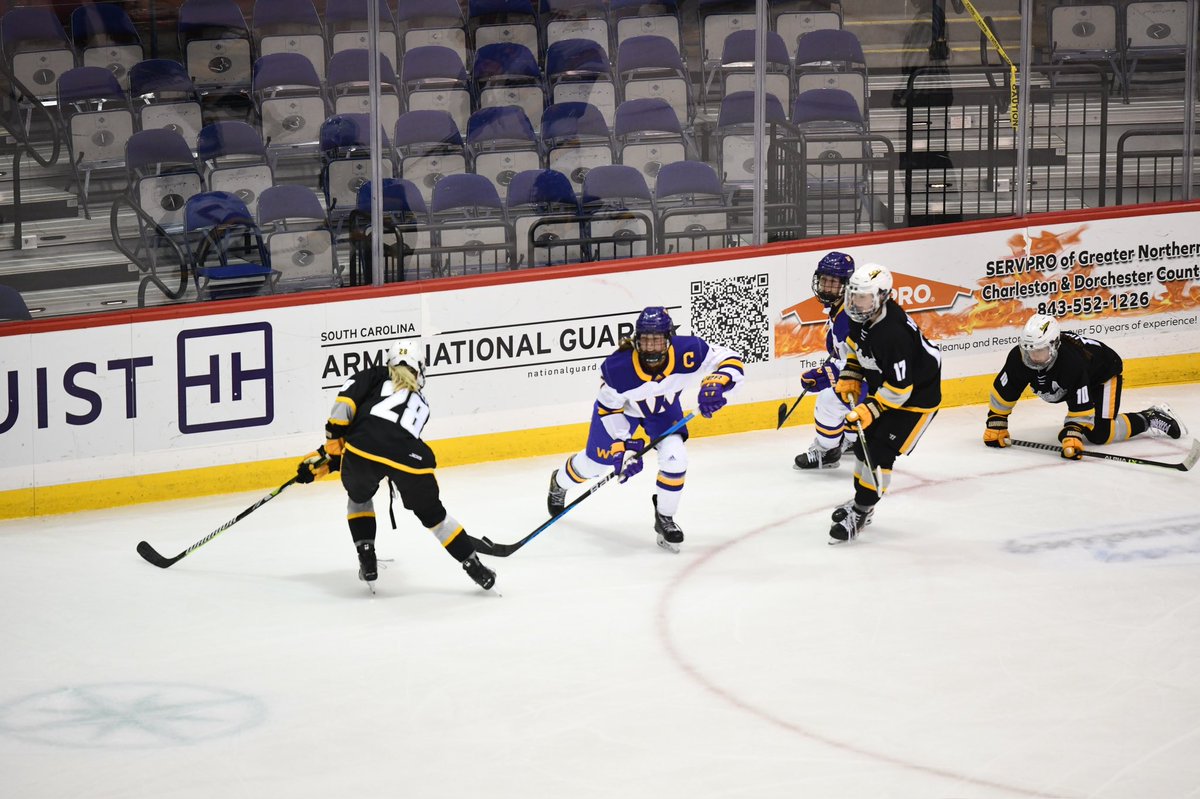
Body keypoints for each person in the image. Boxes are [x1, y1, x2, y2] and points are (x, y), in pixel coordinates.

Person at [295, 340, 497, 591]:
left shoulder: (376, 375)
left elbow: (350, 413)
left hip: (363, 450)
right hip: (412, 461)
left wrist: (329, 453)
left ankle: (366, 555)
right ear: (420, 369)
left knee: (359, 498)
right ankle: (474, 565)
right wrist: (332, 457)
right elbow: (389, 440)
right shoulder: (423, 404)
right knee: (436, 518)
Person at [546, 306, 744, 552]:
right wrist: (622, 445)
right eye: (646, 342)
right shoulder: (618, 369)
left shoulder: (689, 351)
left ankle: (664, 517)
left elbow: (731, 359)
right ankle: (559, 481)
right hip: (623, 414)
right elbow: (609, 409)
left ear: (669, 340)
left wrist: (718, 382)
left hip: (663, 411)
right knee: (596, 465)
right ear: (637, 341)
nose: (651, 349)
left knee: (676, 458)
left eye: (657, 341)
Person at [830, 263, 942, 543]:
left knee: (878, 454)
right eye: (854, 295)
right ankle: (861, 500)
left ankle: (862, 510)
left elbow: (902, 388)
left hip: (916, 401)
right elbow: (855, 348)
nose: (857, 302)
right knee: (861, 445)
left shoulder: (892, 333)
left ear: (882, 297)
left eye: (864, 297)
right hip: (888, 390)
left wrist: (871, 408)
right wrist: (851, 374)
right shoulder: (860, 317)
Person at [985, 314, 1186, 458]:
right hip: (1075, 380)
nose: (1034, 357)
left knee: (1100, 434)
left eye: (1041, 351)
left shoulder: (1071, 363)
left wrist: (1073, 431)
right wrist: (997, 421)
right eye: (1029, 351)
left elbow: (1081, 405)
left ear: (1054, 346)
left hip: (1101, 376)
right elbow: (1005, 389)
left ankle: (1149, 418)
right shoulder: (1019, 358)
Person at [794, 251, 860, 470]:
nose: (825, 286)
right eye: (823, 280)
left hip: (881, 378)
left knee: (829, 399)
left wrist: (827, 374)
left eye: (832, 282)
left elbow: (860, 362)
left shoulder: (850, 315)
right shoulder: (842, 307)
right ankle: (852, 439)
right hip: (874, 375)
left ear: (845, 284)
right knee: (840, 395)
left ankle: (827, 452)